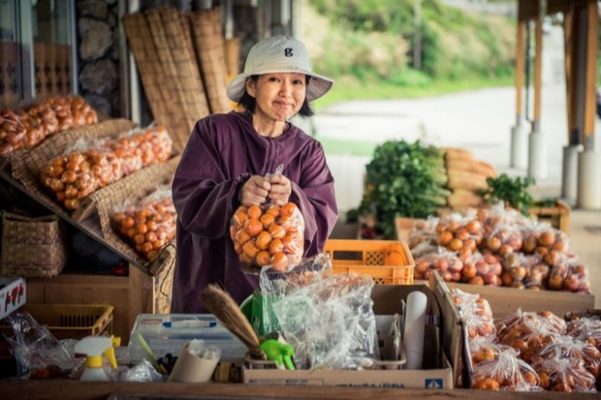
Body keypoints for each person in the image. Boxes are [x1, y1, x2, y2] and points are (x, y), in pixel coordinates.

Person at [171, 35, 338, 312]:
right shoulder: (213, 132)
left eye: (296, 82)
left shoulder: (308, 151)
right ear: (251, 86)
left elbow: (323, 218)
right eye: (275, 80)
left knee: (270, 353)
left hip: (280, 297)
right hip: (211, 287)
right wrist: (236, 193)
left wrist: (293, 197)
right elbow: (188, 198)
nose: (287, 92)